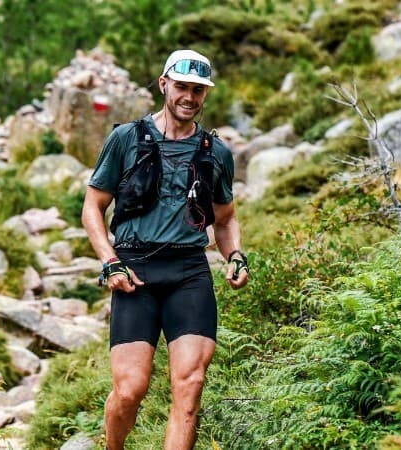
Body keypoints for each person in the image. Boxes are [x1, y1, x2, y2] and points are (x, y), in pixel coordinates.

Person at [82, 49, 249, 450]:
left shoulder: (216, 152)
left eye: (197, 90)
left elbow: (224, 219)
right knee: (129, 389)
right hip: (134, 271)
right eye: (181, 87)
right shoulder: (126, 139)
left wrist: (235, 256)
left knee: (189, 388)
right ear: (163, 85)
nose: (189, 96)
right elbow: (93, 206)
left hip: (188, 273)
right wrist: (111, 262)